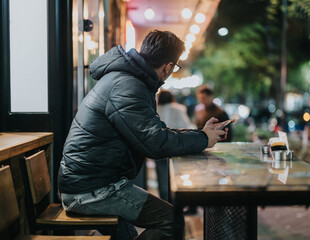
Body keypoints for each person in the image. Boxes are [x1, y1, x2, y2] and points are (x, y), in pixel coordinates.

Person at [57, 30, 227, 240]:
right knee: (171, 221)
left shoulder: (127, 79)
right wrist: (202, 139)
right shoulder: (128, 85)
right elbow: (155, 143)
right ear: (168, 67)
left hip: (91, 182)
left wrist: (200, 134)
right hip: (92, 190)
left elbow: (156, 131)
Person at [155, 90, 195, 201]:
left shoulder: (156, 109)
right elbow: (185, 126)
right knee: (177, 175)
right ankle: (177, 201)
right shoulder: (180, 108)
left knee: (162, 177)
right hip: (176, 147)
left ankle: (164, 202)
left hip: (160, 147)